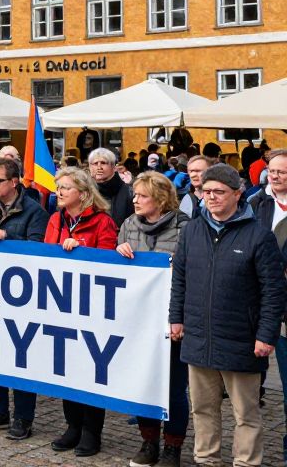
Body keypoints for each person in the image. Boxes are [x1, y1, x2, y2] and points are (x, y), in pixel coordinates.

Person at [170, 163, 286, 467]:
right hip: (198, 337)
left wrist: (266, 335)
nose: (211, 197)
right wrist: (176, 317)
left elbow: (273, 291)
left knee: (245, 413)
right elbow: (179, 277)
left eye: (219, 191)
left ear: (237, 194)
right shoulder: (193, 229)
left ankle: (246, 462)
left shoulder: (259, 237)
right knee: (203, 409)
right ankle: (206, 460)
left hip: (241, 339)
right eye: (206, 191)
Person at [0, 156, 49, 440]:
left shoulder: (34, 210)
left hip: (22, 294)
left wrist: (5, 234)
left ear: (14, 182)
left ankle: (23, 417)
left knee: (20, 355)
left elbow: (39, 246)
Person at [118, 171, 190, 467]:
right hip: (139, 320)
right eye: (134, 194)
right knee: (144, 381)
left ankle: (173, 447)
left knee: (173, 386)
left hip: (172, 320)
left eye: (142, 195)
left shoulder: (185, 228)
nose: (135, 200)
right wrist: (118, 253)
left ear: (160, 199)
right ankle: (149, 443)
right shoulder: (128, 225)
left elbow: (190, 275)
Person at [45, 167, 117, 458]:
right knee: (67, 368)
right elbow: (45, 255)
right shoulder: (55, 219)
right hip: (61, 305)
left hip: (91, 309)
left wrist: (81, 252)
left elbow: (109, 263)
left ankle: (91, 431)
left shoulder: (103, 222)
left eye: (66, 188)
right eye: (58, 187)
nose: (59, 192)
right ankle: (72, 426)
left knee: (89, 370)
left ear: (84, 194)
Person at [247, 148, 287, 465]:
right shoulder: (256, 202)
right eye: (272, 171)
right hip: (262, 304)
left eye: (282, 172)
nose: (275, 176)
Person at [88, 148, 134, 227]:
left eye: (103, 163)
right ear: (90, 167)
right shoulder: (85, 192)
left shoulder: (129, 192)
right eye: (95, 163)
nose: (99, 167)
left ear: (114, 167)